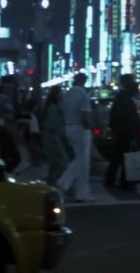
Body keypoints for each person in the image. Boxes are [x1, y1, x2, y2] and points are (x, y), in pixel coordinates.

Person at [106, 75, 140, 199]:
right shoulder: (127, 101)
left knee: (117, 157)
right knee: (127, 157)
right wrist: (138, 132)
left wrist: (112, 128)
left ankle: (110, 180)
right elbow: (133, 120)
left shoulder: (120, 97)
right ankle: (126, 182)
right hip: (127, 132)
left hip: (120, 131)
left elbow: (114, 116)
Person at [56, 73, 94, 202]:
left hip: (68, 127)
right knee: (83, 161)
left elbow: (61, 111)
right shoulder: (83, 95)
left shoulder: (67, 94)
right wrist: (89, 127)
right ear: (84, 81)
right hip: (80, 128)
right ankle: (64, 182)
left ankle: (80, 193)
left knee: (79, 159)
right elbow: (85, 115)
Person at [40, 86, 70, 185]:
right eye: (60, 92)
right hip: (52, 137)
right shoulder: (54, 107)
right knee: (62, 161)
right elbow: (52, 123)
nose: (62, 95)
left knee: (53, 163)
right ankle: (61, 184)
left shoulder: (50, 106)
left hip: (49, 136)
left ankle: (51, 183)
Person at [0, 84, 22, 172]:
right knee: (16, 157)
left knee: (2, 153)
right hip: (5, 130)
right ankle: (3, 173)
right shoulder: (6, 99)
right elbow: (9, 116)